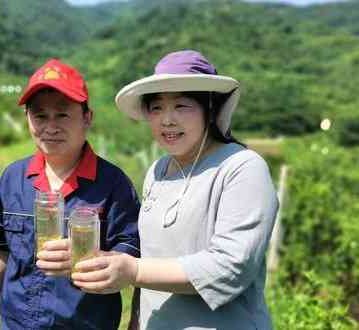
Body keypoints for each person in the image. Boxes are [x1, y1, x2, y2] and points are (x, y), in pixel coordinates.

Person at [71, 50, 279, 330]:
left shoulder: (241, 168)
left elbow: (231, 267)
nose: (167, 119)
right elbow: (149, 258)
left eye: (182, 106)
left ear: (210, 109)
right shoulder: (157, 171)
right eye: (156, 108)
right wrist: (135, 320)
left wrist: (133, 270)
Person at [0, 58, 140, 330]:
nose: (50, 127)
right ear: (28, 118)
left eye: (63, 114)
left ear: (87, 118)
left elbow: (133, 262)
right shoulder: (12, 178)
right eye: (40, 115)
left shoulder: (114, 185)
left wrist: (89, 259)